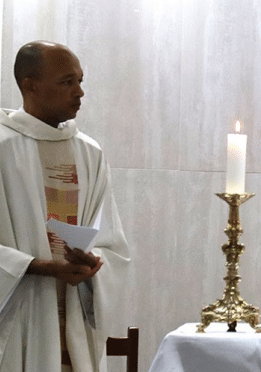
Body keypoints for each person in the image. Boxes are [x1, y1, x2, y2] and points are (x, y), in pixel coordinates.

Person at [0, 41, 130, 371]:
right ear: (30, 85)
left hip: (74, 326)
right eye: (67, 82)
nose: (80, 92)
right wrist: (39, 266)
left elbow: (111, 244)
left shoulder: (89, 153)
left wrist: (93, 263)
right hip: (19, 323)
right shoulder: (3, 149)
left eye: (81, 81)